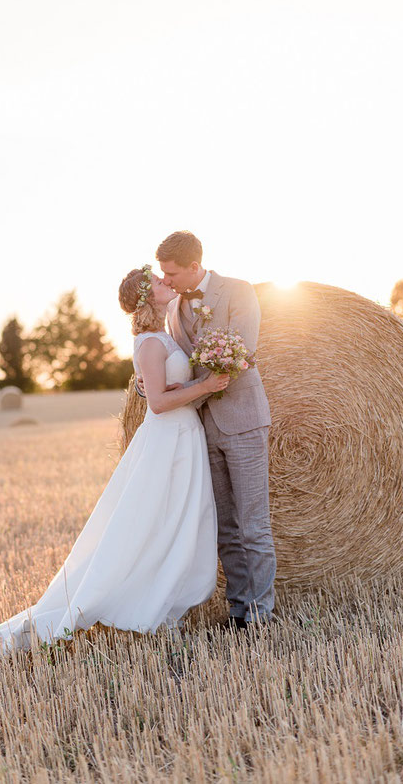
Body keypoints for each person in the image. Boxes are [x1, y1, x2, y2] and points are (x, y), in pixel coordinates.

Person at [0, 265, 229, 654]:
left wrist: (185, 386)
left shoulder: (163, 336)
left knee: (179, 524)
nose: (169, 283)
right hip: (169, 440)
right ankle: (144, 610)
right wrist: (205, 385)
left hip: (183, 438)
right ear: (148, 297)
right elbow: (161, 404)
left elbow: (161, 391)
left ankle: (162, 609)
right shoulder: (150, 342)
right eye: (161, 282)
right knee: (158, 526)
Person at [137, 230, 276, 628]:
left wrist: (196, 384)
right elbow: (165, 356)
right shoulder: (174, 306)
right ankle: (237, 609)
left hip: (244, 420)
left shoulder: (238, 291)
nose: (167, 280)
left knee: (254, 524)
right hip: (202, 428)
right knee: (226, 527)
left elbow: (242, 349)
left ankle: (260, 613)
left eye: (172, 273)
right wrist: (144, 384)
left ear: (194, 266)